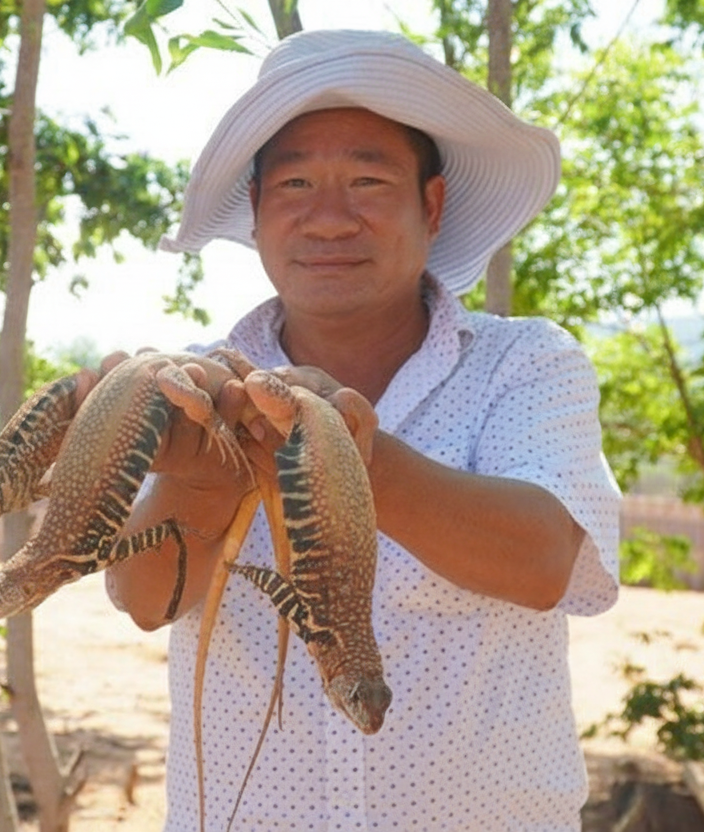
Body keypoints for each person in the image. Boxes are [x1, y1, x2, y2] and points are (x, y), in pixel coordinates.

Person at [102, 29, 622, 831]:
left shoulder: (525, 363)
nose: (330, 219)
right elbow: (142, 598)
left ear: (432, 204)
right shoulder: (202, 383)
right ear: (259, 209)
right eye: (297, 183)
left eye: (369, 182)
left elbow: (544, 562)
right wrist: (199, 466)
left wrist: (345, 451)